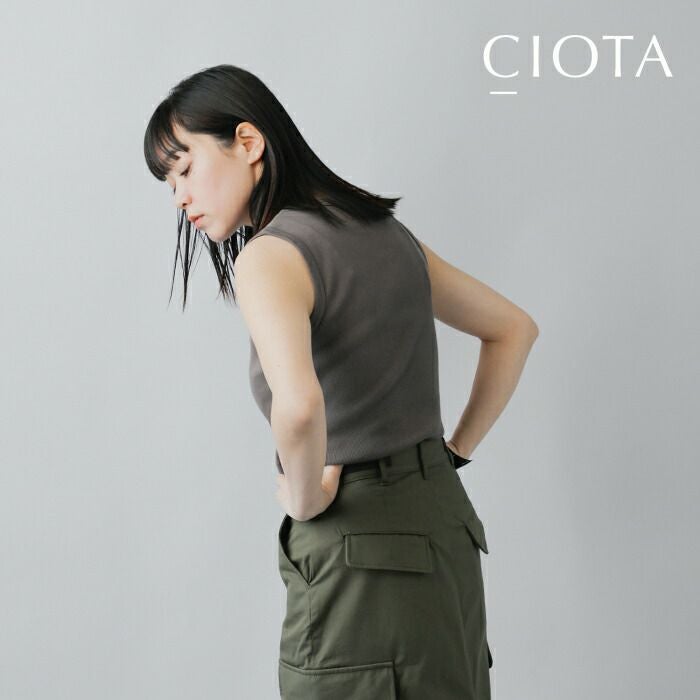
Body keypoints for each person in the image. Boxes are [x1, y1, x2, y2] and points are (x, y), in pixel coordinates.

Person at [143, 64, 539, 699]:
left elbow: (299, 407)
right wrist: (454, 453)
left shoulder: (268, 257)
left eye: (185, 169)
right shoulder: (387, 232)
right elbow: (513, 329)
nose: (179, 197)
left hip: (357, 552)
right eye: (168, 183)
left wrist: (304, 499)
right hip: (445, 533)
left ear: (248, 142)